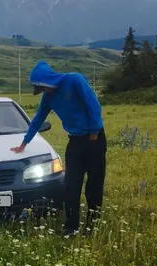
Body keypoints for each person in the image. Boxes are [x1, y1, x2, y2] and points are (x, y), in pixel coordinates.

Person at [10, 61, 107, 236]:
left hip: (95, 139)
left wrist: (93, 133)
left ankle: (92, 225)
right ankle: (71, 227)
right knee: (71, 184)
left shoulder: (74, 80)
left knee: (94, 184)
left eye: (43, 87)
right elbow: (38, 118)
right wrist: (24, 143)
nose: (43, 91)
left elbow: (93, 105)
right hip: (75, 141)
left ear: (48, 81)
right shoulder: (48, 97)